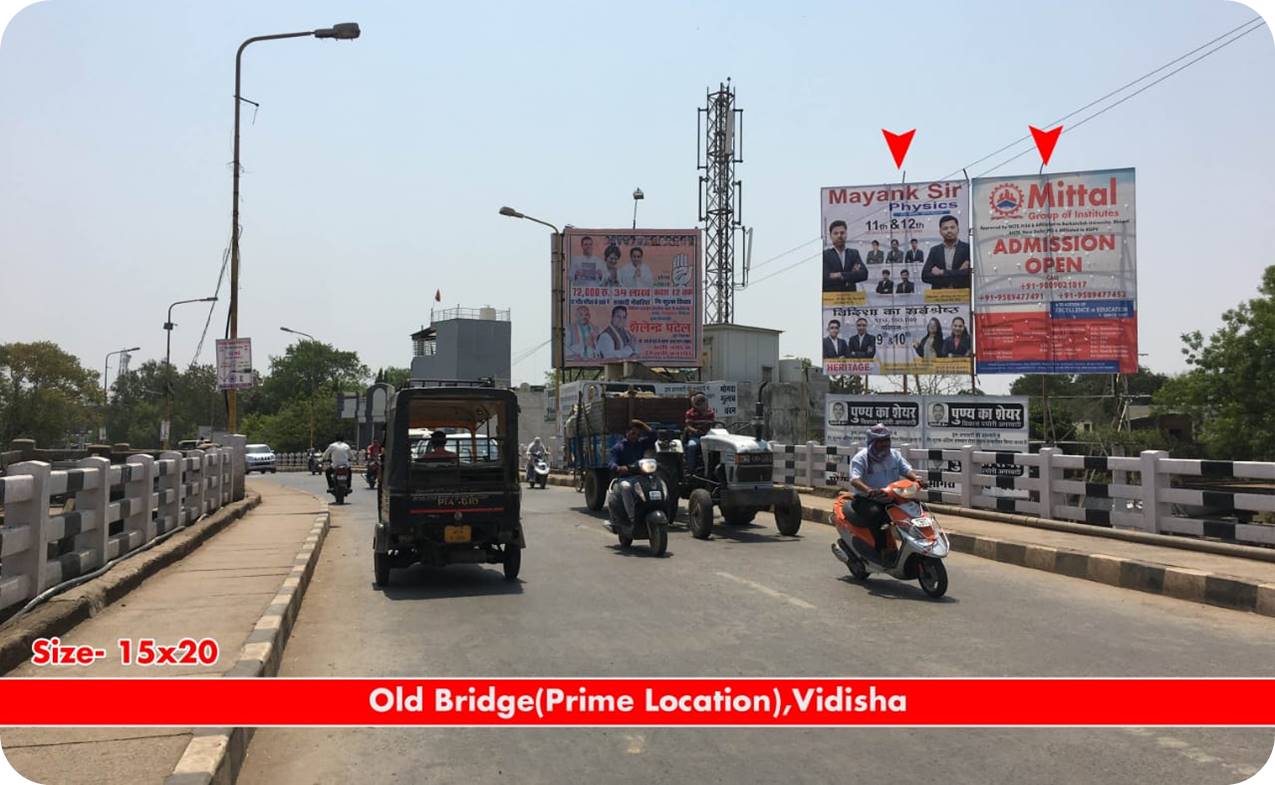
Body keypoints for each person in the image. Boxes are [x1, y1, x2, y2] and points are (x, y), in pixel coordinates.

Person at [847, 424, 927, 563]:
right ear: (872, 442)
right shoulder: (861, 458)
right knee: (878, 516)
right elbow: (854, 479)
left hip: (891, 497)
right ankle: (881, 550)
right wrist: (868, 490)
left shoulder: (894, 455)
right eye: (880, 441)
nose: (885, 444)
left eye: (887, 440)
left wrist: (916, 479)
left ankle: (917, 545)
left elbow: (906, 469)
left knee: (917, 510)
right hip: (867, 499)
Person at [607, 419, 658, 526]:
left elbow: (654, 436)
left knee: (656, 484)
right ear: (627, 433)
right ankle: (632, 518)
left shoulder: (641, 444)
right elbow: (611, 462)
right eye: (633, 433)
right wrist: (618, 468)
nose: (635, 436)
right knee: (626, 488)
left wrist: (642, 424)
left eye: (638, 434)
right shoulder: (619, 447)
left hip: (641, 477)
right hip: (626, 478)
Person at [923, 215, 972, 290]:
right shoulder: (934, 250)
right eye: (945, 228)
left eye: (952, 227)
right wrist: (958, 273)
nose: (949, 230)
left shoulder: (968, 248)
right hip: (940, 297)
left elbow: (970, 274)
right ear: (940, 232)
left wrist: (942, 272)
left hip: (962, 296)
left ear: (958, 229)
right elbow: (925, 276)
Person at [822, 220, 867, 292]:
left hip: (850, 299)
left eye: (842, 233)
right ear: (830, 236)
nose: (839, 236)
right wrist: (852, 275)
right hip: (831, 299)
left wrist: (840, 274)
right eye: (835, 233)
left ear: (846, 234)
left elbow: (864, 274)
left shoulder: (854, 253)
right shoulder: (825, 255)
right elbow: (825, 277)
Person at [683, 393, 716, 473]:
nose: (703, 407)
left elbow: (713, 424)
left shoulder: (710, 413)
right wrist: (696, 431)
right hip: (696, 436)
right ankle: (691, 469)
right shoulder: (690, 413)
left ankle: (713, 468)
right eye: (700, 405)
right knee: (692, 446)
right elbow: (688, 426)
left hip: (708, 436)